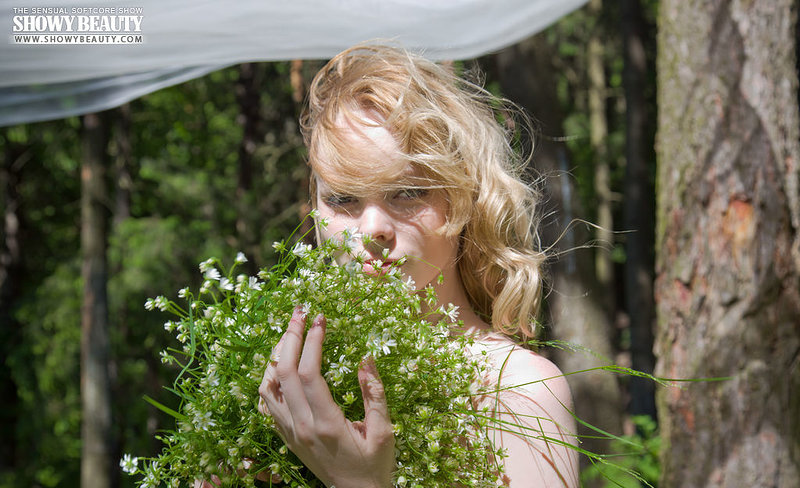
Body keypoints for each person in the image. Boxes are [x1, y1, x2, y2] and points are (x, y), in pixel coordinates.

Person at [257, 43, 579, 487]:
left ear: (465, 196)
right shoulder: (293, 374)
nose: (373, 228)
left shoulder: (518, 390)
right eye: (343, 198)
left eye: (407, 193)